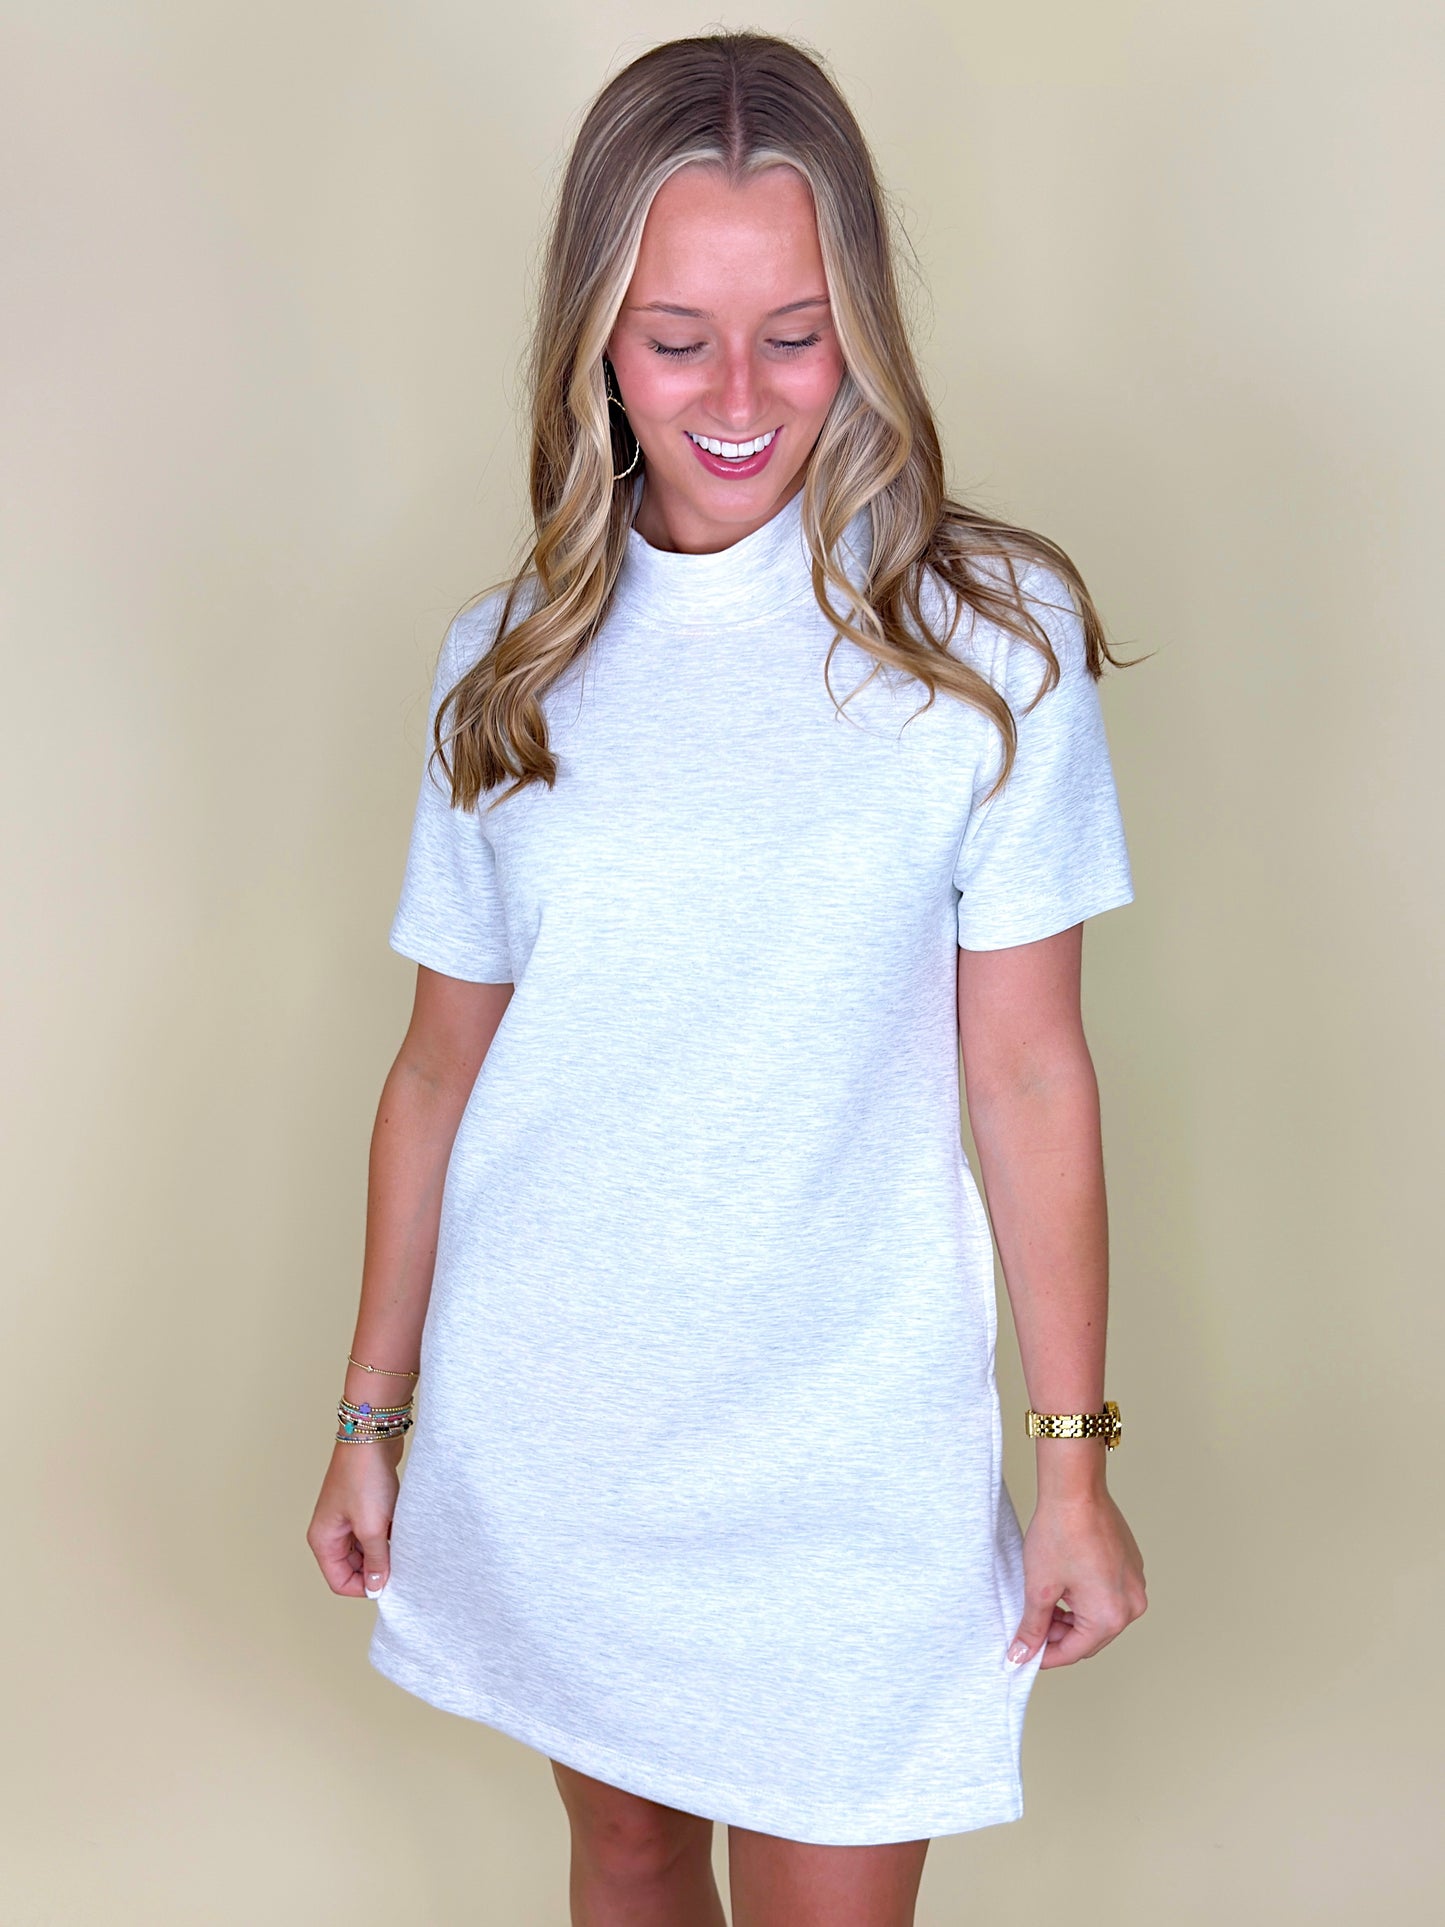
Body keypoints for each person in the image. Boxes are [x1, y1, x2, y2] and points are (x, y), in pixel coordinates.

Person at [307, 29, 1147, 1927]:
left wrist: (1071, 1462)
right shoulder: (506, 667)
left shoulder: (985, 645)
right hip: (563, 1415)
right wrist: (371, 1418)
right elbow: (439, 1070)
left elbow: (1027, 1074)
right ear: (593, 341)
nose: (742, 396)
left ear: (866, 327)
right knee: (621, 1852)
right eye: (677, 338)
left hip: (847, 1442)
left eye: (797, 331)